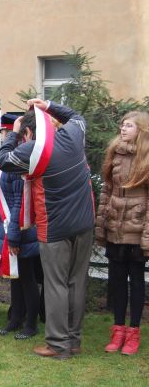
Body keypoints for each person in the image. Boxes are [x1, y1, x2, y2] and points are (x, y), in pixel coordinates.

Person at [0, 99, 95, 359]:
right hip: (85, 223)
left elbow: (3, 161)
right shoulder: (73, 135)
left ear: (29, 133)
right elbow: (75, 113)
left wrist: (14, 132)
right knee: (76, 282)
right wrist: (48, 105)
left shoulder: (33, 150)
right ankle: (73, 341)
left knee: (56, 285)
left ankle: (58, 344)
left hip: (54, 228)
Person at [95, 111, 149, 356]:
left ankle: (133, 333)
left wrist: (146, 233)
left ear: (141, 130)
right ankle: (117, 331)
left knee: (136, 280)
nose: (123, 129)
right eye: (122, 125)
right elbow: (107, 189)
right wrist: (102, 221)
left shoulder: (146, 156)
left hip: (136, 228)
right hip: (115, 224)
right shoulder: (115, 153)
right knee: (117, 280)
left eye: (129, 125)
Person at [0, 113, 41, 340]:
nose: (4, 137)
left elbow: (21, 200)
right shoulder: (13, 155)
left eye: (7, 132)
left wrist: (13, 237)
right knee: (15, 276)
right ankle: (15, 318)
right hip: (11, 225)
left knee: (27, 278)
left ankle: (30, 324)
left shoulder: (21, 157)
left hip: (22, 228)